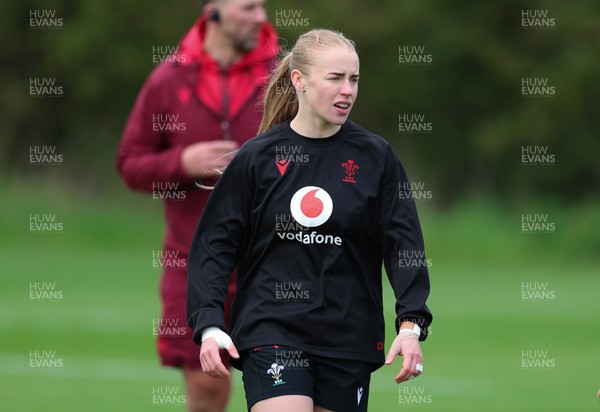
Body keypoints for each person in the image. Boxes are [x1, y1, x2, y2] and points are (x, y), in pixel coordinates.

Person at [187, 29, 432, 412]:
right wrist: (209, 324)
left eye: (354, 79)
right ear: (298, 80)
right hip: (271, 327)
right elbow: (214, 246)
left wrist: (411, 324)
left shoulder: (376, 158)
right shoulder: (258, 159)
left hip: (348, 336)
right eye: (335, 78)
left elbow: (404, 247)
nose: (348, 90)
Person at [116, 1, 279, 411]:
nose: (261, 17)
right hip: (192, 262)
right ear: (214, 11)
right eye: (249, 7)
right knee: (207, 385)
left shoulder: (285, 77)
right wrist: (183, 162)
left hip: (277, 261)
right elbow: (130, 163)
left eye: (263, 6)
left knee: (285, 385)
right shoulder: (168, 79)